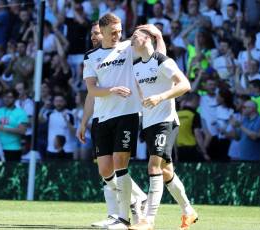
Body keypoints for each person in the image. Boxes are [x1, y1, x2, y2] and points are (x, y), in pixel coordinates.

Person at [82, 16, 168, 229]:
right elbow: (92, 90)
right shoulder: (91, 56)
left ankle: (123, 218)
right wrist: (110, 90)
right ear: (102, 30)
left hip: (128, 113)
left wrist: (158, 36)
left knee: (120, 162)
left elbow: (160, 58)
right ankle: (136, 198)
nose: (117, 35)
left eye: (120, 31)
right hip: (102, 117)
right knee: (105, 170)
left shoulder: (128, 48)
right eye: (113, 31)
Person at [128, 28, 198, 230]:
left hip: (166, 121)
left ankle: (148, 220)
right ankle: (188, 211)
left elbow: (184, 85)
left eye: (135, 36)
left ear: (147, 38)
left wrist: (160, 97)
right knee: (167, 172)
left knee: (154, 167)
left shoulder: (162, 61)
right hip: (149, 123)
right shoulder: (136, 66)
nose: (131, 40)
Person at [0, 89, 28, 161]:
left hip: (13, 149)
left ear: (15, 99)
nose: (7, 99)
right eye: (5, 97)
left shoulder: (21, 113)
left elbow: (22, 131)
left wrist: (3, 128)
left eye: (10, 97)